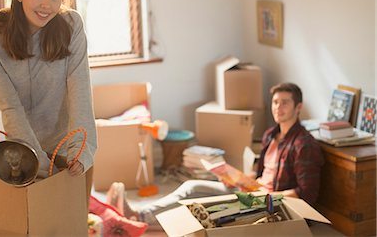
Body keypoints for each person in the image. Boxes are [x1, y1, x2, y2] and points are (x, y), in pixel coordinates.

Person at [106, 82, 324, 227]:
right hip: (253, 191)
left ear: (298, 107)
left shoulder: (304, 145)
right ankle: (139, 214)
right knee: (193, 187)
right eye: (276, 102)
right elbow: (261, 174)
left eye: (285, 102)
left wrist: (266, 196)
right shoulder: (270, 135)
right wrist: (238, 178)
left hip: (270, 203)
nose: (278, 107)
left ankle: (138, 216)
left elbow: (306, 194)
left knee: (199, 205)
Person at [0, 0, 97, 180]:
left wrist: (81, 150)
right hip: (22, 147)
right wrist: (39, 163)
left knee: (70, 211)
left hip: (65, 145)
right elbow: (10, 107)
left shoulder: (71, 26)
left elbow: (80, 87)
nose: (47, 5)